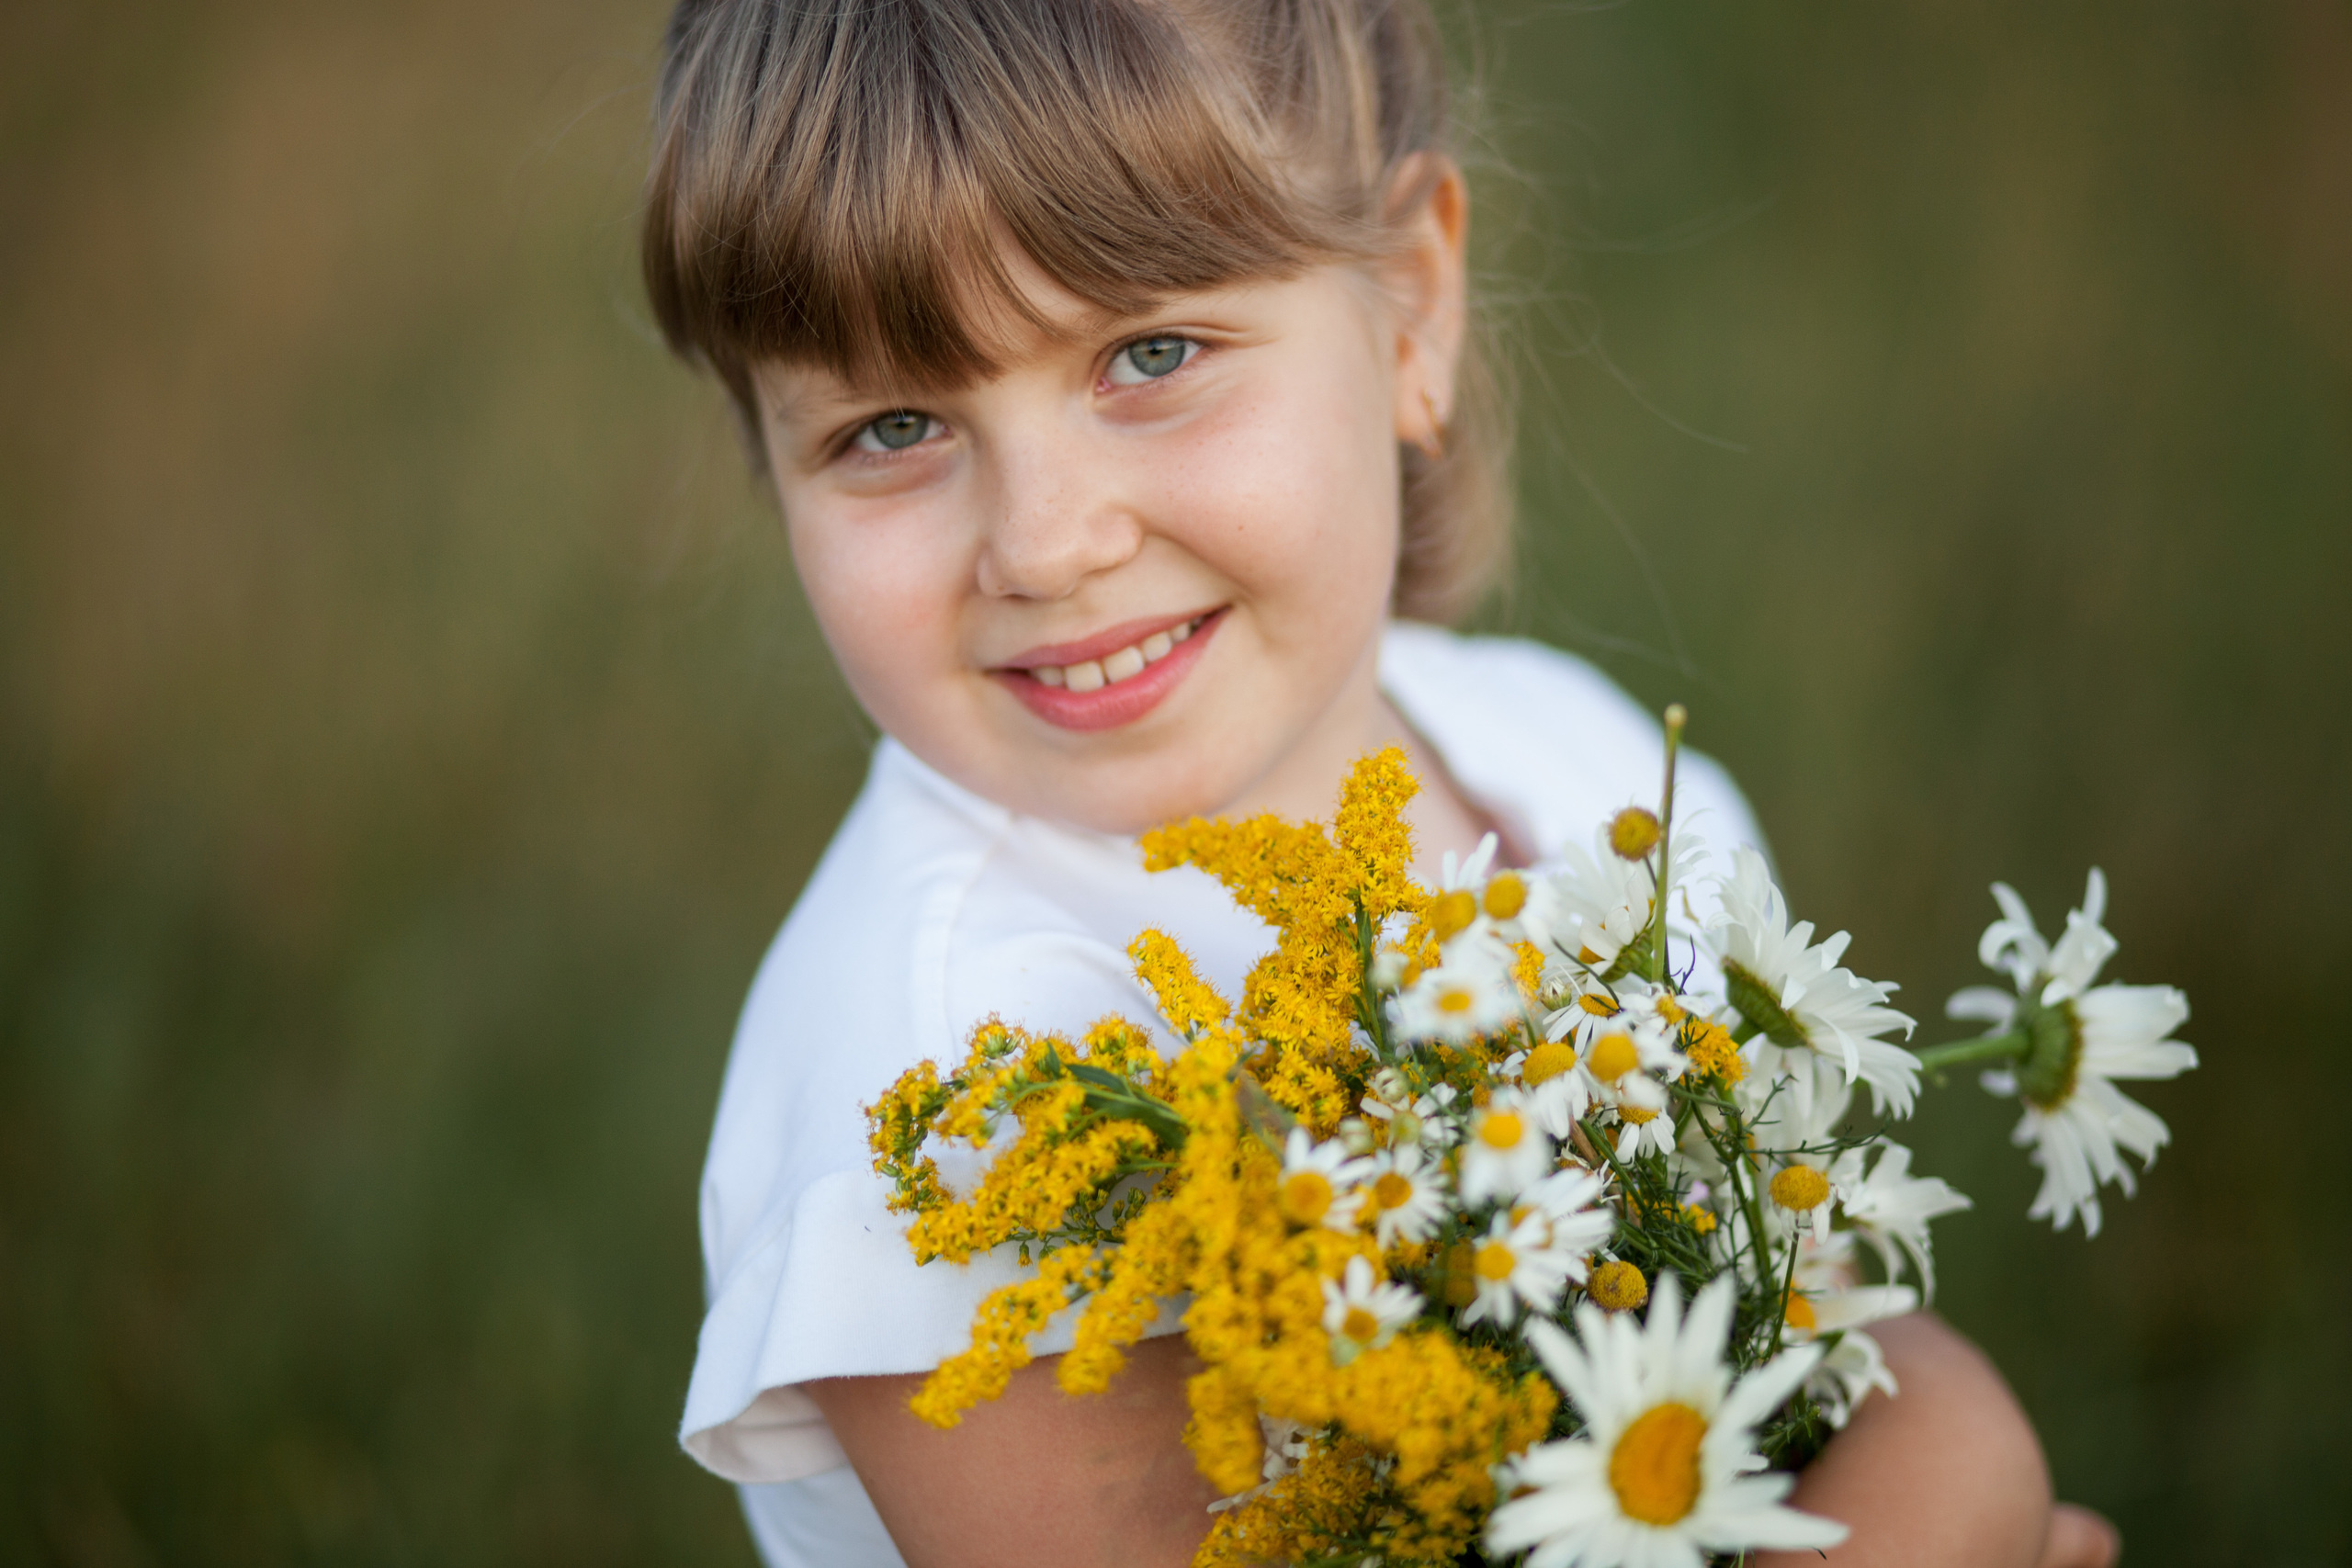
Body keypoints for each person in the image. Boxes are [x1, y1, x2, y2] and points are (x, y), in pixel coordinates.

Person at [639, 3, 2122, 1565]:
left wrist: (1945, 1475)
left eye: (1151, 354)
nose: (1045, 543)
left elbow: (1818, 1343)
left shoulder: (1594, 770)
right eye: (891, 428)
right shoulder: (939, 1082)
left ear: (1409, 315)